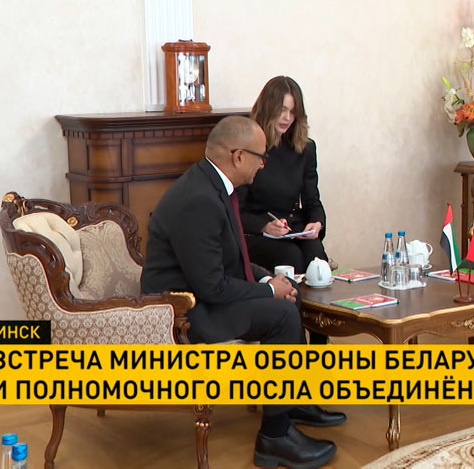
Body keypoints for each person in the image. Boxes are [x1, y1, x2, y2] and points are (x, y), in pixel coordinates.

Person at [141, 116, 344, 468]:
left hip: (200, 297)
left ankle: (292, 403)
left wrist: (268, 281)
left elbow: (229, 261)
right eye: (260, 157)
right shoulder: (199, 199)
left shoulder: (212, 185)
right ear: (238, 157)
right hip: (183, 314)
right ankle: (274, 439)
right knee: (281, 314)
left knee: (289, 296)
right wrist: (267, 293)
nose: (264, 164)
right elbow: (212, 285)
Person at [238, 75, 328, 275]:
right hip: (256, 232)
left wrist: (317, 223)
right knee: (291, 257)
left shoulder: (306, 148)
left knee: (316, 257)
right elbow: (235, 209)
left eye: (293, 111)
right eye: (282, 110)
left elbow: (312, 201)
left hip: (292, 228)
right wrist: (264, 226)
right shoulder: (248, 147)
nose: (287, 118)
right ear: (268, 109)